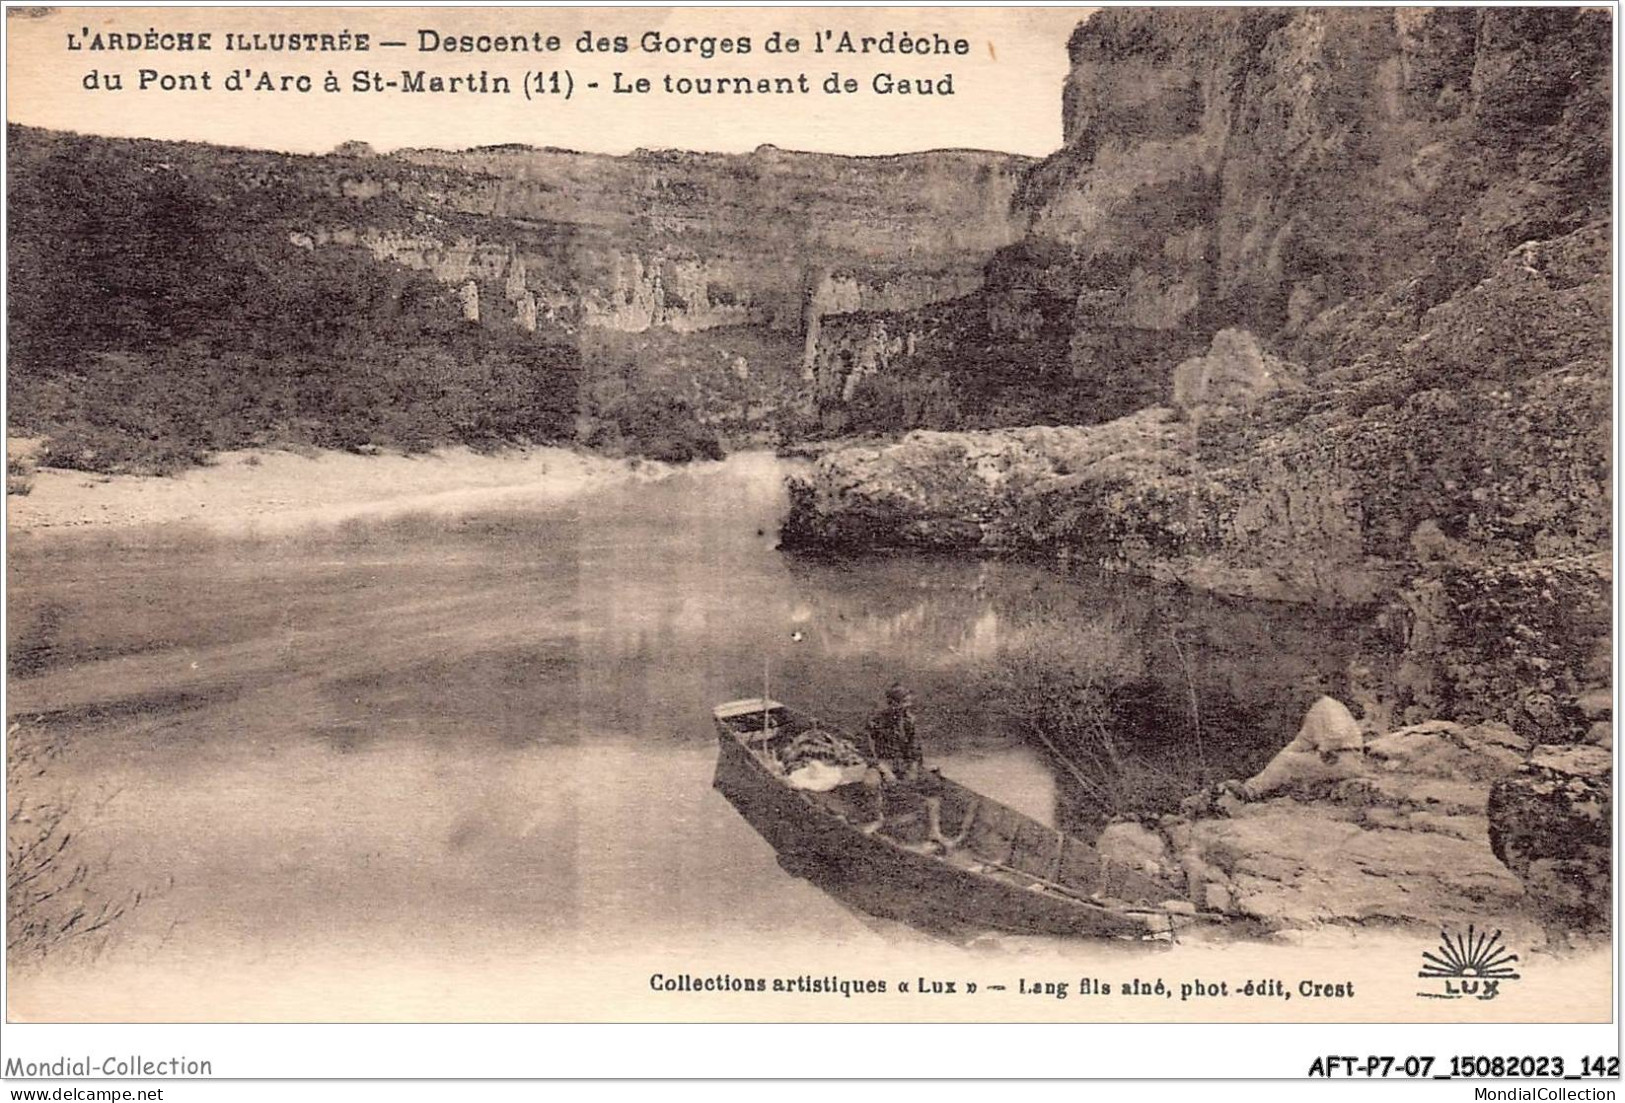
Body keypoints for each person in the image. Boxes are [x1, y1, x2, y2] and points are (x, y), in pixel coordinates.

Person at [865, 682, 923, 782]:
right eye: (904, 702)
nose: (908, 705)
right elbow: (866, 750)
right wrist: (884, 770)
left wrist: (913, 769)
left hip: (904, 764)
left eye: (909, 702)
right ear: (892, 703)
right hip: (882, 764)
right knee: (871, 783)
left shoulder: (908, 721)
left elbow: (915, 749)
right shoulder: (876, 720)